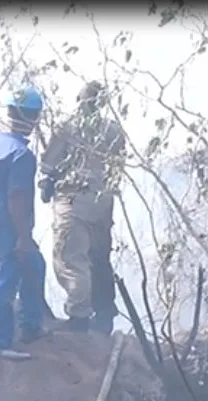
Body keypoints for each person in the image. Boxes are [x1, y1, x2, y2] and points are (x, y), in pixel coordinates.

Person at [38, 80, 125, 335]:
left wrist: (46, 185)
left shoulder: (68, 127)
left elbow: (48, 165)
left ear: (80, 101)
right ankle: (105, 311)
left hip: (73, 201)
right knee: (99, 258)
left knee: (71, 259)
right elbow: (116, 168)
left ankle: (78, 318)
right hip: (103, 201)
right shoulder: (113, 130)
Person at [0, 86, 49, 361]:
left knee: (35, 265)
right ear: (33, 117)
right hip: (9, 224)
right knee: (8, 273)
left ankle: (31, 327)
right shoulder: (21, 154)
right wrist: (23, 236)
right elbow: (17, 197)